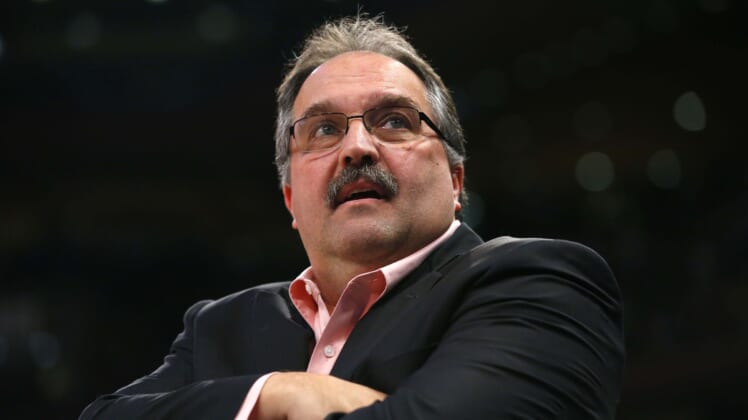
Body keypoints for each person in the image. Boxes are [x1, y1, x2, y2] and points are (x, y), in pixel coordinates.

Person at [80, 14, 625, 420]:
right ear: (290, 199)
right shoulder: (220, 326)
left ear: (456, 181)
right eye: (323, 130)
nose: (357, 147)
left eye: (395, 121)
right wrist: (278, 393)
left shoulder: (540, 283)